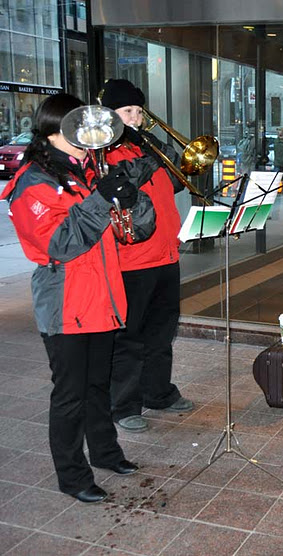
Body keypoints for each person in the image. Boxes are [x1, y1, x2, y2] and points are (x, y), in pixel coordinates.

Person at [0, 93, 156, 502]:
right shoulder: (33, 181)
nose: (89, 138)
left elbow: (131, 233)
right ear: (53, 131)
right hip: (66, 302)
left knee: (97, 384)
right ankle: (72, 475)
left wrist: (131, 198)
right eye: (78, 129)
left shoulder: (87, 171)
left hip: (101, 297)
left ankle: (105, 452)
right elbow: (60, 244)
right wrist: (102, 199)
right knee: (70, 394)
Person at [101, 79, 194, 433]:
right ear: (110, 115)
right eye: (128, 111)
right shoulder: (104, 155)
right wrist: (145, 152)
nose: (136, 118)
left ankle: (158, 392)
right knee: (130, 336)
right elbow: (123, 191)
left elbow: (178, 180)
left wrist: (160, 149)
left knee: (162, 331)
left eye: (139, 111)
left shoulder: (145, 148)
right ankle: (124, 404)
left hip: (166, 255)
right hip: (133, 261)